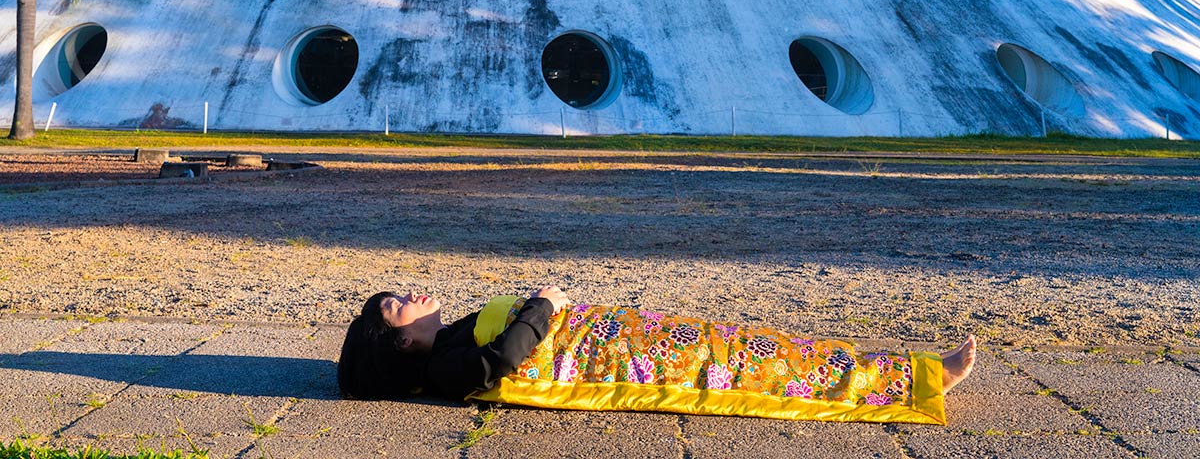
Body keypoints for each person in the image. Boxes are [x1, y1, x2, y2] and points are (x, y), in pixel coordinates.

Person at [337, 286, 976, 424]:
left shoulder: (447, 343)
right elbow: (507, 359)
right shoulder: (446, 367)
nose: (414, 295)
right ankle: (919, 380)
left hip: (631, 340)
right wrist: (544, 306)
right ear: (400, 342)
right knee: (772, 364)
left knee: (774, 351)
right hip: (637, 360)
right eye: (399, 305)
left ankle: (910, 374)